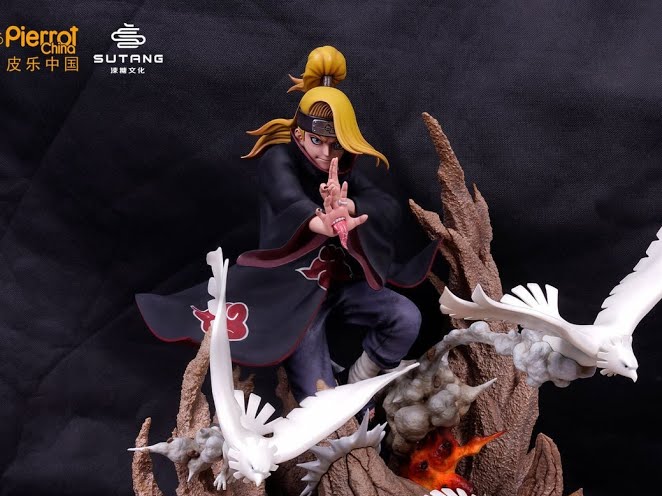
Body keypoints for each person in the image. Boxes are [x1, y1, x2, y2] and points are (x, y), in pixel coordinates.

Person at [136, 46, 438, 402]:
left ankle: (357, 384)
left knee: (405, 318)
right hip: (291, 294)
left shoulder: (345, 169)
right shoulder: (279, 160)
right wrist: (318, 220)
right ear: (299, 134)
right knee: (319, 400)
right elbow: (286, 197)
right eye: (317, 141)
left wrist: (350, 205)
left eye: (335, 145)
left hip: (341, 284)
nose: (326, 154)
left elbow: (385, 205)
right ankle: (340, 402)